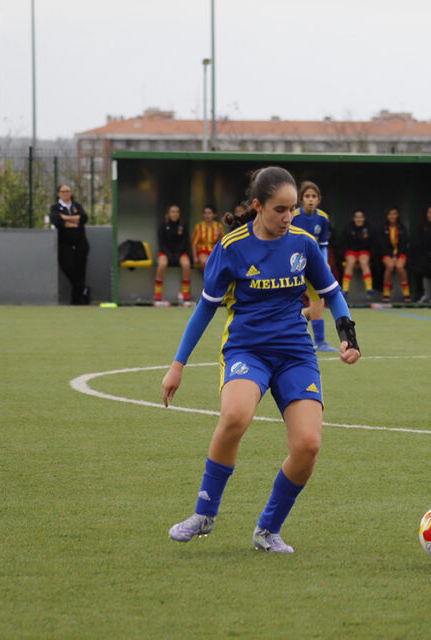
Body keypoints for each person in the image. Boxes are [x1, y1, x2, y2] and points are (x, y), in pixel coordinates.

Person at [161, 166, 360, 554]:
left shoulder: (302, 244)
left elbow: (332, 292)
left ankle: (267, 530)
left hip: (294, 354)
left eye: (292, 209)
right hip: (246, 350)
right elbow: (204, 310)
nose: (288, 217)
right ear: (258, 206)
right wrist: (178, 364)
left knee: (308, 445)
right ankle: (204, 513)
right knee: (235, 416)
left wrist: (347, 335)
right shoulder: (232, 247)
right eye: (280, 209)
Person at [292, 181, 337, 351]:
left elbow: (323, 244)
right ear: (301, 199)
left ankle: (319, 341)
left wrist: (324, 262)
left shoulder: (323, 218)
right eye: (307, 196)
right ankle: (318, 341)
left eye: (314, 196)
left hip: (313, 263)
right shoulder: (294, 216)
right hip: (294, 264)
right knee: (316, 301)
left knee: (317, 300)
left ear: (319, 200)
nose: (310, 200)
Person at [49, 184, 90, 305]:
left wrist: (67, 218)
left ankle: (77, 300)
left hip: (80, 243)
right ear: (58, 194)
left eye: (68, 191)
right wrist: (73, 220)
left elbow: (83, 219)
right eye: (63, 191)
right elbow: (58, 221)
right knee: (68, 268)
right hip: (64, 245)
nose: (66, 193)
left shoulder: (77, 206)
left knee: (80, 270)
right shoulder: (55, 208)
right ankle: (83, 290)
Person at [155, 204, 193, 307]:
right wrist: (167, 254)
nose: (175, 214)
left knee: (186, 264)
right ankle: (158, 293)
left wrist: (178, 254)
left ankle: (185, 292)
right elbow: (161, 243)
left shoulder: (183, 226)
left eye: (177, 212)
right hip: (165, 252)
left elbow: (184, 242)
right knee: (162, 264)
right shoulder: (163, 226)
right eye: (172, 211)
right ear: (168, 214)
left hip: (179, 253)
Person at [340, 209, 376, 296]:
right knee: (351, 262)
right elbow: (344, 243)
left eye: (361, 217)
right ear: (353, 219)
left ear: (364, 218)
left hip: (364, 251)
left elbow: (372, 244)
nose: (359, 219)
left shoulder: (369, 228)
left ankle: (369, 288)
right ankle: (345, 289)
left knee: (364, 262)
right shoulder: (348, 228)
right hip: (351, 251)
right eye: (357, 217)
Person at [379, 207, 411, 303]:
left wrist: (396, 256)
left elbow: (405, 244)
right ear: (387, 216)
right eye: (390, 214)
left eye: (394, 214)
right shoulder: (383, 228)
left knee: (400, 267)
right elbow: (381, 245)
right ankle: (386, 294)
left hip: (400, 254)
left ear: (398, 215)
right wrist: (391, 256)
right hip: (387, 254)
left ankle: (406, 294)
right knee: (390, 266)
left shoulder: (402, 228)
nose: (392, 216)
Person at [192, 205, 224, 269]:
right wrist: (195, 257)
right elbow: (194, 243)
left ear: (214, 215)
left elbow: (222, 242)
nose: (207, 215)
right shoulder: (199, 226)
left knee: (217, 263)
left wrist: (219, 235)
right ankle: (207, 279)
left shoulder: (219, 226)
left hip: (215, 250)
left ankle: (211, 278)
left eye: (209, 213)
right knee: (205, 262)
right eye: (205, 213)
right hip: (202, 250)